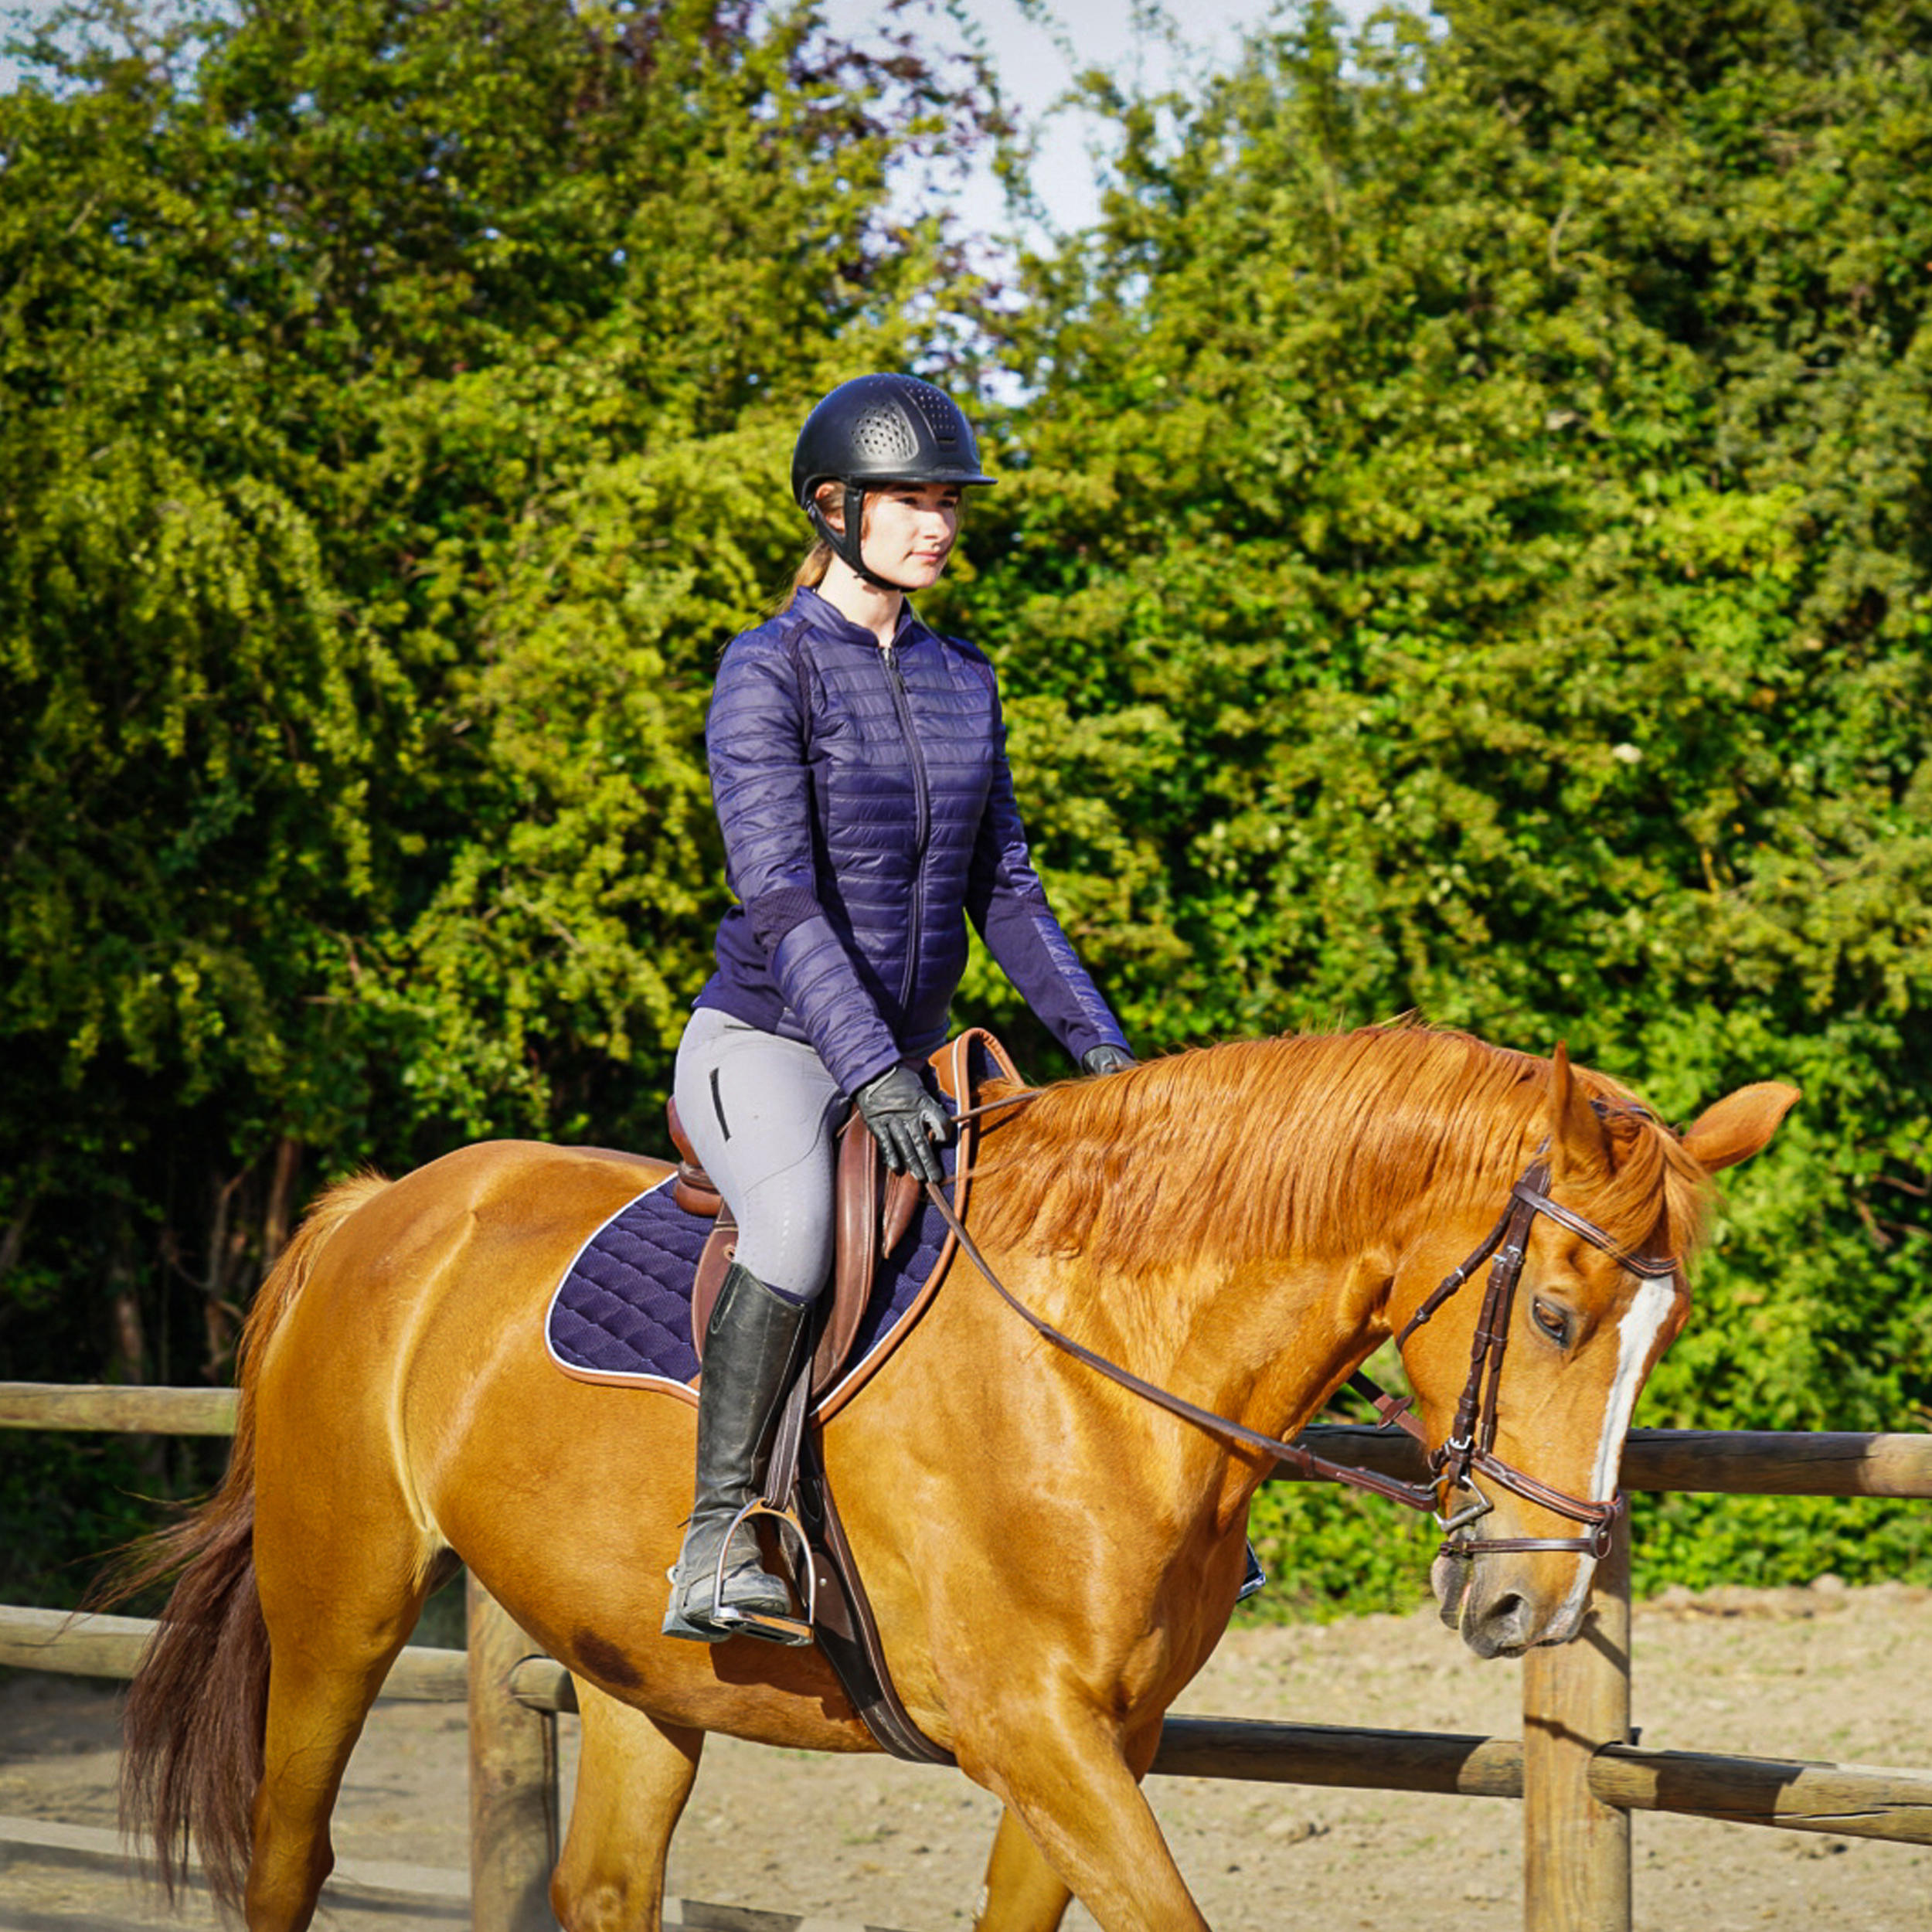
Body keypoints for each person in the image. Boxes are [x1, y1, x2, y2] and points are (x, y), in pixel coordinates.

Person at [663, 372, 1137, 1643]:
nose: (937, 523)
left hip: (911, 1055)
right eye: (911, 500)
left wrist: (1100, 1047)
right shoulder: (766, 674)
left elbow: (1009, 888)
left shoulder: (961, 678)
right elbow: (781, 898)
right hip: (766, 1043)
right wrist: (873, 1069)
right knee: (802, 1231)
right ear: (833, 508)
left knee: (1068, 1218)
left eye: (947, 502)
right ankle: (719, 1538)